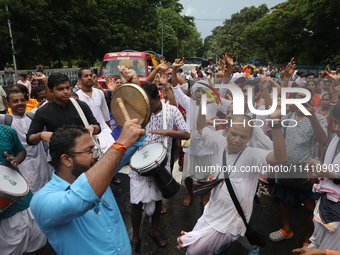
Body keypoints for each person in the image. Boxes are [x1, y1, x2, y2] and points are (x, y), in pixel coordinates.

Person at [177, 110, 287, 255]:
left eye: (243, 137)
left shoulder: (252, 155)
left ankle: (250, 247)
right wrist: (202, 105)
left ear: (250, 138)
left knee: (194, 251)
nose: (237, 140)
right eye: (234, 134)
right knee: (244, 237)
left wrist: (275, 124)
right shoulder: (219, 142)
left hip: (232, 218)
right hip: (213, 209)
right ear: (226, 130)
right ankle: (251, 248)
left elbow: (280, 158)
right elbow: (201, 128)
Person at [30, 121, 145, 255]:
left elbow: (120, 155)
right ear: (66, 159)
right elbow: (78, 200)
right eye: (89, 151)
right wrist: (120, 144)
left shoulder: (97, 173)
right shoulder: (41, 201)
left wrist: (137, 131)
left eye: (95, 149)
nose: (96, 155)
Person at [129, 82, 189, 252]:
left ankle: (154, 230)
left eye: (150, 102)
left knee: (157, 199)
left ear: (158, 97)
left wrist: (167, 132)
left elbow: (186, 133)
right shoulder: (139, 111)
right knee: (135, 203)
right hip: (139, 164)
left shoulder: (172, 110)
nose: (146, 106)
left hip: (160, 165)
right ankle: (135, 235)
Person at [0, 124, 48, 255]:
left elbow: (21, 151)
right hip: (4, 214)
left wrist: (16, 159)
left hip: (24, 199)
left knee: (39, 243)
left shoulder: (7, 131)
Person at [0, 90, 53, 193]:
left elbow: (50, 101)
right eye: (15, 101)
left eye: (22, 100)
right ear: (7, 103)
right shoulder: (5, 119)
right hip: (21, 164)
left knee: (46, 190)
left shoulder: (33, 115)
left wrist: (44, 81)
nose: (20, 103)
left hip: (41, 162)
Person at [26, 72, 100, 146]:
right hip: (59, 154)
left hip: (83, 152)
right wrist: (40, 135)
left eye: (67, 88)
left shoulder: (81, 105)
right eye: (60, 89)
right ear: (51, 91)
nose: (66, 92)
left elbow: (98, 127)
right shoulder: (43, 111)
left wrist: (92, 128)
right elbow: (30, 139)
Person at [304, 101, 340, 251]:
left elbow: (332, 173)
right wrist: (315, 163)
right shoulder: (333, 138)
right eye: (335, 123)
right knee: (318, 241)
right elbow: (325, 161)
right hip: (325, 201)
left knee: (329, 249)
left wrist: (332, 175)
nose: (337, 128)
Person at [76, 68, 114, 153]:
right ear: (80, 79)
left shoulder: (99, 93)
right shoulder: (77, 96)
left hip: (104, 131)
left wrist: (108, 126)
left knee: (113, 155)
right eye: (86, 76)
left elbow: (105, 112)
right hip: (87, 133)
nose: (89, 78)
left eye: (90, 75)